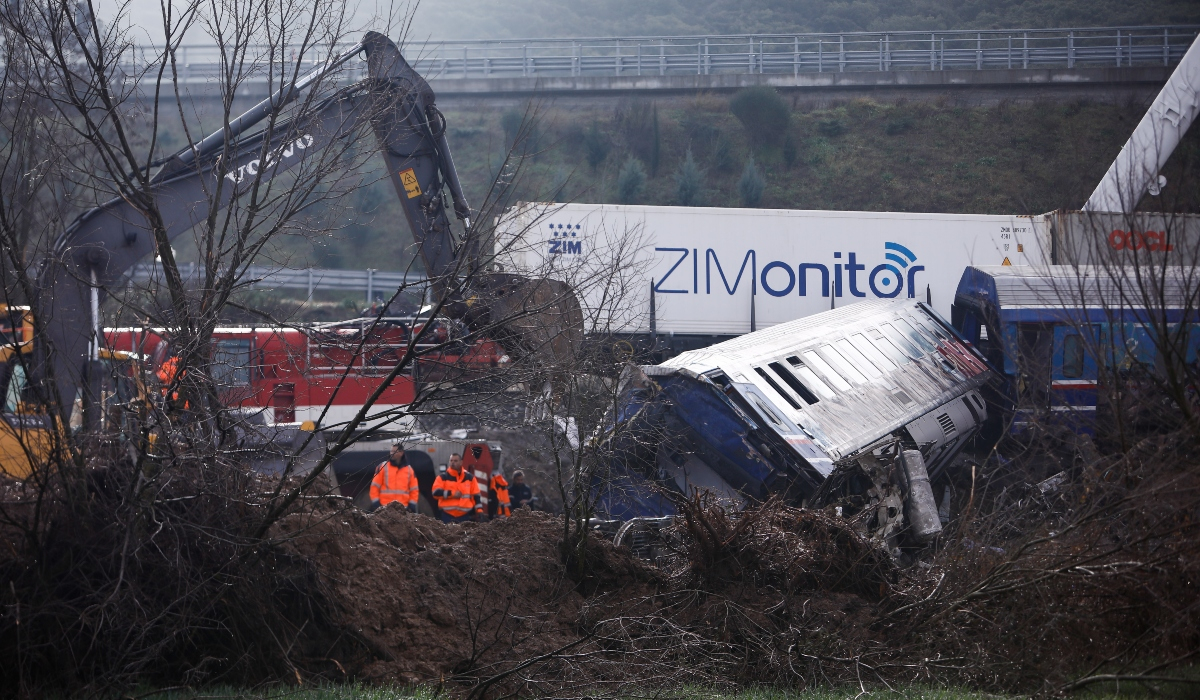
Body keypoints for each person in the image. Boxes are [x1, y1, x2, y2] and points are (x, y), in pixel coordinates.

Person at [432, 452, 482, 523]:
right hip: (447, 515)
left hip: (464, 516)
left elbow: (476, 496)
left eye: (455, 461)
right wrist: (452, 494)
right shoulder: (442, 477)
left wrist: (479, 511)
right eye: (451, 461)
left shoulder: (470, 478)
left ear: (461, 462)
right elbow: (435, 493)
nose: (453, 463)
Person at [369, 443, 419, 513]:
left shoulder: (409, 470)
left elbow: (414, 489)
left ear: (401, 453)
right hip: (385, 509)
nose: (391, 453)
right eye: (391, 451)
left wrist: (411, 505)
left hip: (403, 509)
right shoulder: (383, 467)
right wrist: (376, 504)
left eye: (394, 451)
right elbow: (374, 487)